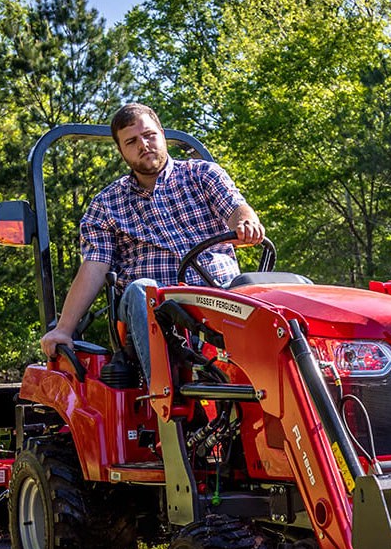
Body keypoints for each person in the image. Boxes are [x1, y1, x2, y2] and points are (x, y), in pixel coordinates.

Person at [38, 102, 265, 380]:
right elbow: (94, 267)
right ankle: (164, 394)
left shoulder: (203, 175)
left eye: (149, 135)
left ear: (161, 134)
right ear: (122, 152)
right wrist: (64, 328)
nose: (143, 145)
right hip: (155, 309)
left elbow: (236, 209)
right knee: (142, 290)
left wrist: (246, 223)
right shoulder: (107, 204)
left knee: (276, 289)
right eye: (132, 141)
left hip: (220, 299)